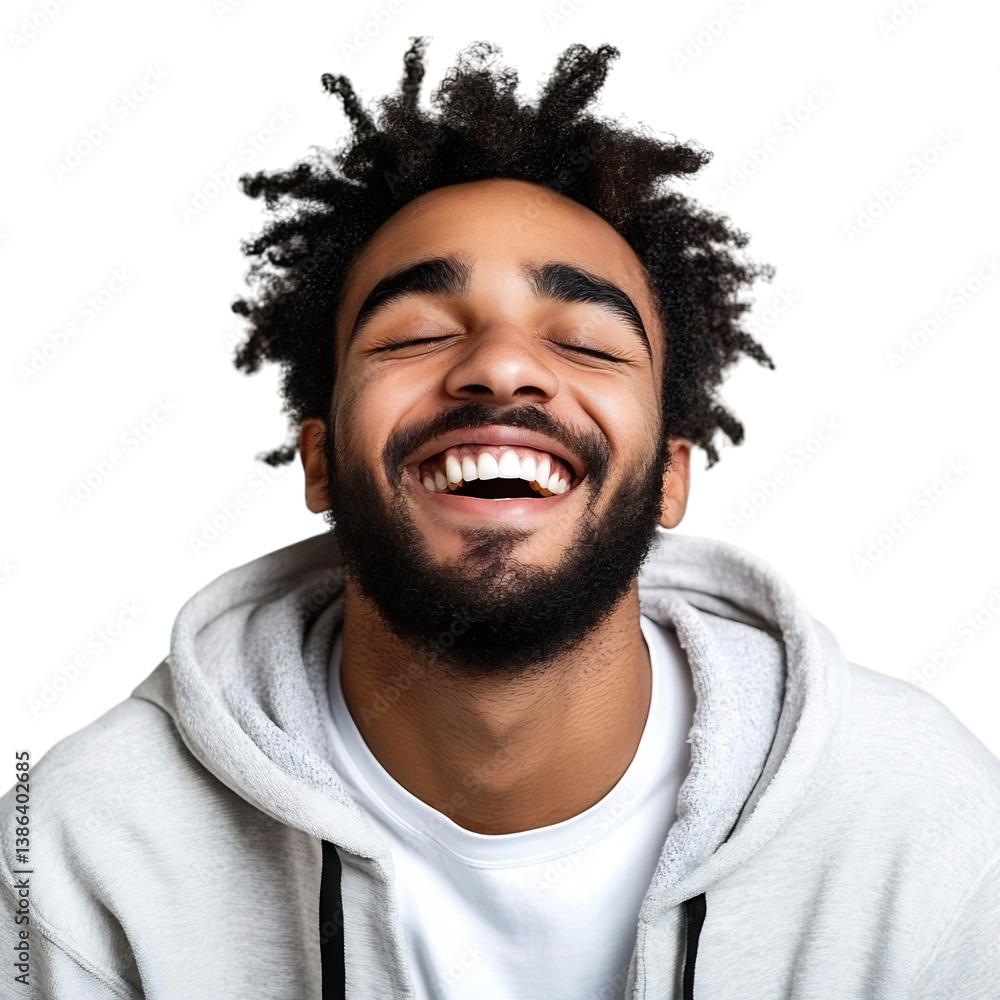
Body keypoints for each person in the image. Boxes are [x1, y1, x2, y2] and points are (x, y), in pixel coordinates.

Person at [3, 38, 999, 1000]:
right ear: (321, 461)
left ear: (669, 478)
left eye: (587, 342)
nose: (503, 366)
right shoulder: (79, 853)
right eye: (417, 333)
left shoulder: (917, 824)